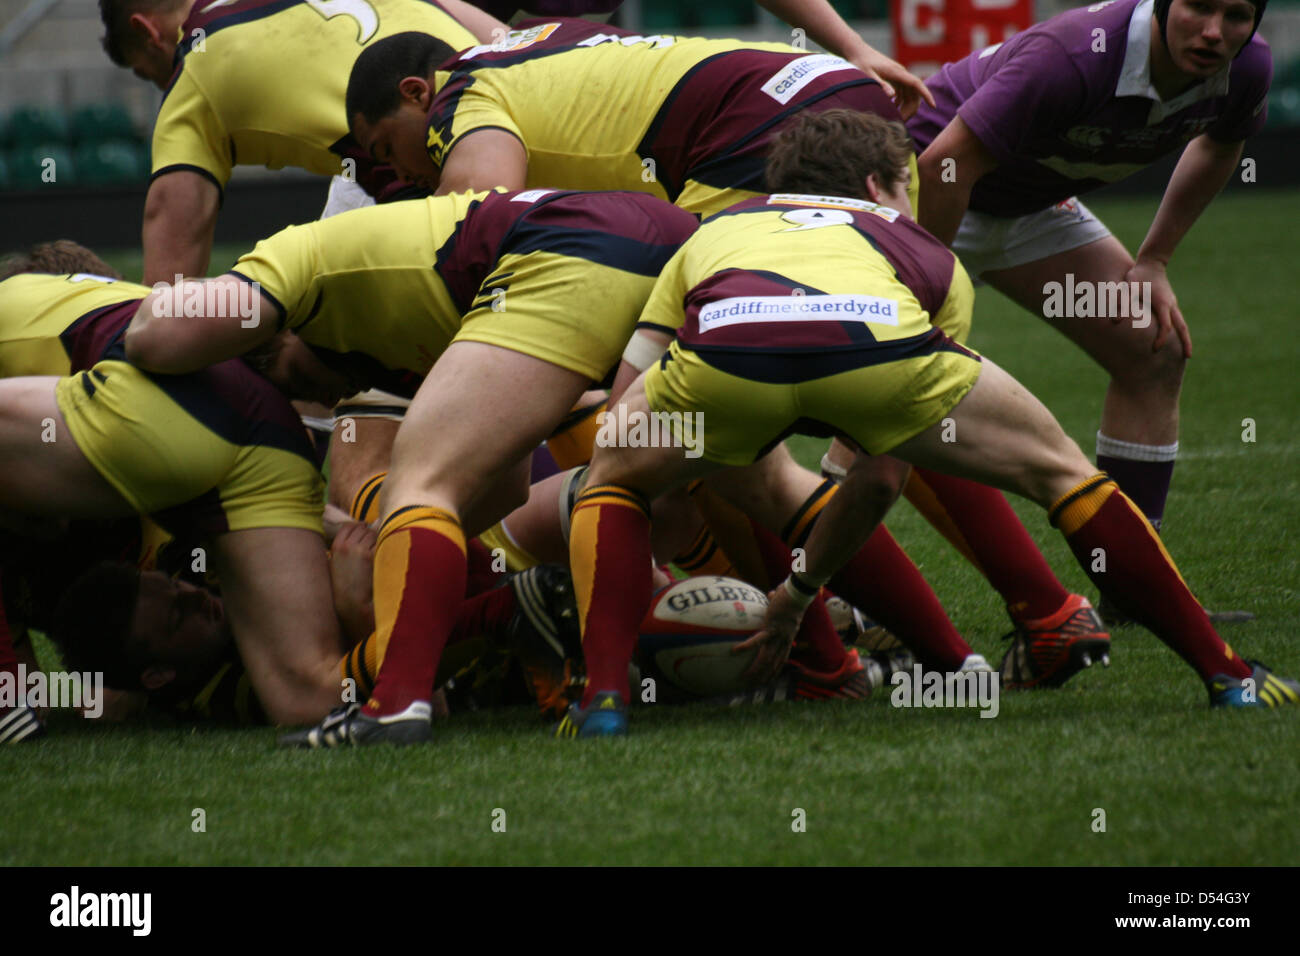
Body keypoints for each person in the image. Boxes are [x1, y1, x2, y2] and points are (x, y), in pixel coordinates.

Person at [560, 109, 1297, 737]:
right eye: (908, 185)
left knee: (612, 481)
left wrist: (659, 467)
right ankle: (1227, 674)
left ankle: (603, 702)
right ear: (882, 185)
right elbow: (881, 475)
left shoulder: (715, 231)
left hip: (726, 358)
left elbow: (631, 394)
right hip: (880, 351)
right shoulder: (920, 248)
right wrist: (802, 587)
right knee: (1064, 475)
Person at [124, 187, 700, 745]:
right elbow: (505, 488)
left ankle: (396, 706)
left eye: (298, 381)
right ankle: (765, 654)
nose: (327, 400)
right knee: (685, 471)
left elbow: (150, 335)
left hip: (572, 252)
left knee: (420, 485)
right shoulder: (387, 337)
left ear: (283, 330)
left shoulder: (284, 262)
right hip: (680, 245)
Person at [909, 0, 1269, 624]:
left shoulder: (1247, 70)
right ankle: (816, 604)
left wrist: (1153, 259)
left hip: (1031, 209)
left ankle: (1135, 591)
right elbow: (945, 163)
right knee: (877, 388)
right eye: (1199, 7)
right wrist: (923, 291)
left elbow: (1219, 145)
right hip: (930, 191)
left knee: (1151, 347)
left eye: (1236, 15)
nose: (1214, 32)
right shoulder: (1075, 56)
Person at [0, 242, 364, 729]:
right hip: (266, 434)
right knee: (312, 698)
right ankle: (454, 622)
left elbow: (48, 697)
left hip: (166, 418)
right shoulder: (105, 310)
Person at [344, 17, 912, 217]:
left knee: (666, 350)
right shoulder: (535, 44)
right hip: (840, 85)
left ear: (417, 93)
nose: (401, 177)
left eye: (388, 150)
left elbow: (480, 212)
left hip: (758, 126)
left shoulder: (458, 97)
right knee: (898, 319)